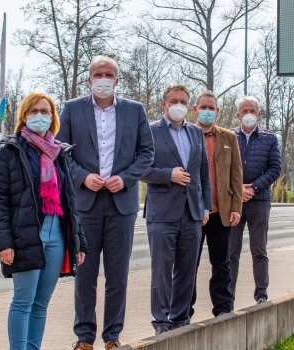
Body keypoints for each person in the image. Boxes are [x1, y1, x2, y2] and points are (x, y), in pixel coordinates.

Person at [56, 56, 155, 350]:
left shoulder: (135, 111)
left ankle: (112, 335)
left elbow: (146, 153)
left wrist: (125, 178)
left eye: (108, 74)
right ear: (89, 79)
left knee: (117, 275)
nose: (103, 79)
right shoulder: (72, 110)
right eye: (97, 74)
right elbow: (62, 153)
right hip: (85, 204)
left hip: (121, 205)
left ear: (117, 80)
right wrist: (83, 177)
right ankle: (84, 337)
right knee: (84, 273)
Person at [0, 92, 87, 350]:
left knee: (41, 303)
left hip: (57, 235)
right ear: (23, 116)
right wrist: (3, 243)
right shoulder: (9, 151)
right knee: (23, 300)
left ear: (53, 117)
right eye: (34, 111)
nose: (40, 116)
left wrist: (80, 243)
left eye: (46, 111)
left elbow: (71, 201)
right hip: (25, 236)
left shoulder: (60, 153)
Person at [141, 84, 212, 335]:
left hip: (192, 212)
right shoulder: (149, 131)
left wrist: (206, 207)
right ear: (165, 104)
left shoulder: (195, 133)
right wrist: (167, 175)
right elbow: (140, 169)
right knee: (161, 269)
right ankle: (161, 320)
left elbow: (203, 173)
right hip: (162, 213)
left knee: (187, 269)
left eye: (183, 101)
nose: (178, 105)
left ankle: (180, 317)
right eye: (174, 101)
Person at [189, 90, 243, 318]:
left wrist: (236, 207)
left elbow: (236, 174)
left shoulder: (228, 137)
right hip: (191, 212)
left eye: (212, 108)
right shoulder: (187, 133)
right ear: (195, 109)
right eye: (204, 107)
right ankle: (184, 311)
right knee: (188, 265)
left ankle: (223, 309)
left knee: (221, 264)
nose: (208, 111)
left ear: (217, 111)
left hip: (220, 211)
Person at [228, 96, 281, 306]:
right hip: (234, 202)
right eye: (244, 110)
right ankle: (227, 299)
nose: (248, 114)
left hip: (259, 200)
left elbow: (275, 168)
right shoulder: (229, 137)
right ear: (238, 114)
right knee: (231, 252)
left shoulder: (270, 138)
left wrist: (255, 186)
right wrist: (238, 189)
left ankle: (261, 295)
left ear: (259, 114)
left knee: (259, 250)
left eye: (252, 110)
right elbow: (224, 169)